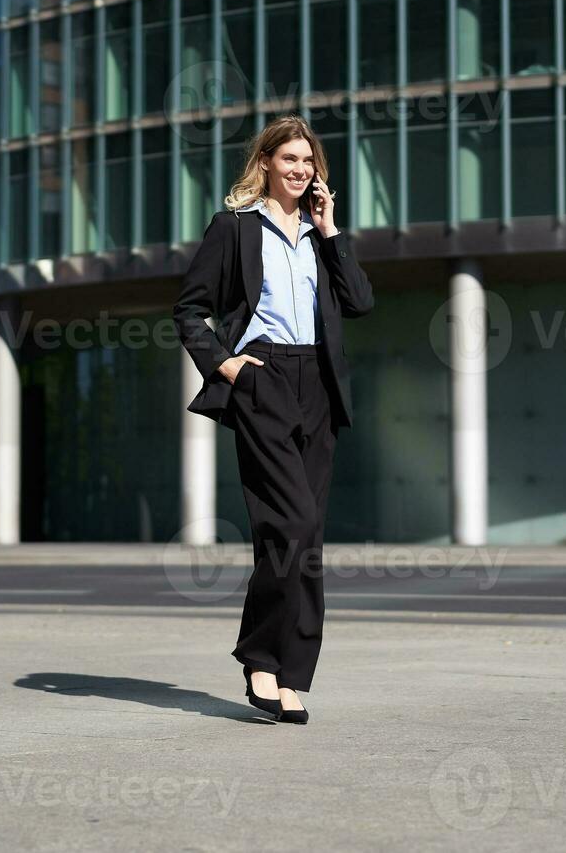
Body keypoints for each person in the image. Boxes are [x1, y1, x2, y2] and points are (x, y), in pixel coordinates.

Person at [173, 114, 375, 724]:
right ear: (265, 163)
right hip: (261, 378)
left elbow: (361, 302)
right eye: (289, 159)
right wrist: (227, 367)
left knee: (306, 541)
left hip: (318, 382)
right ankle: (260, 659)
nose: (299, 170)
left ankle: (290, 674)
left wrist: (331, 229)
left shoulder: (321, 236)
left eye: (308, 161)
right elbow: (189, 309)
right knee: (291, 521)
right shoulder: (234, 228)